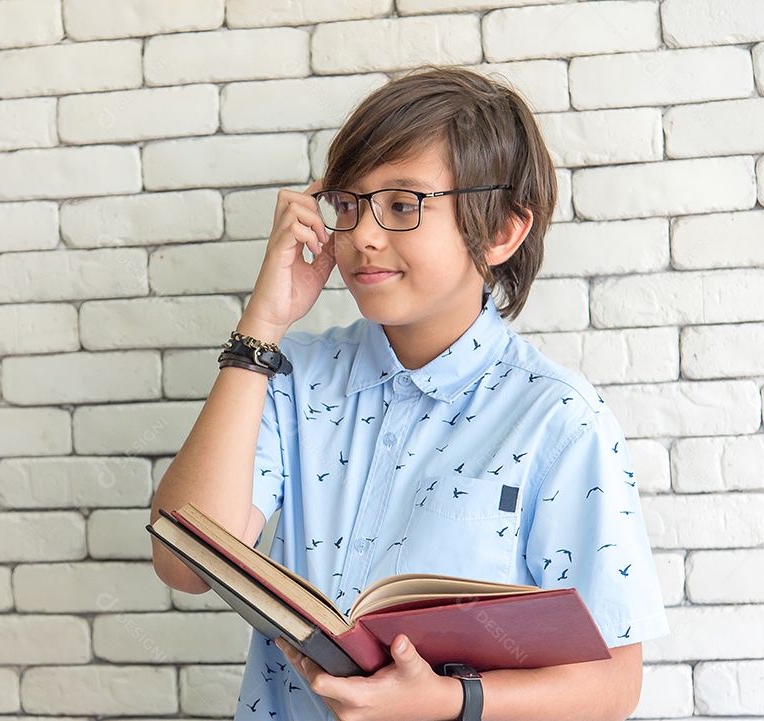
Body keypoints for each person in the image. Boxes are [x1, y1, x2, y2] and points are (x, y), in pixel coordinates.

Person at [150, 66, 667, 721]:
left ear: (503, 229)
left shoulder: (559, 421)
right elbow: (183, 562)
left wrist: (451, 699)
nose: (363, 234)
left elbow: (613, 685)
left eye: (402, 205)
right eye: (348, 203)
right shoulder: (290, 376)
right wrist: (263, 322)